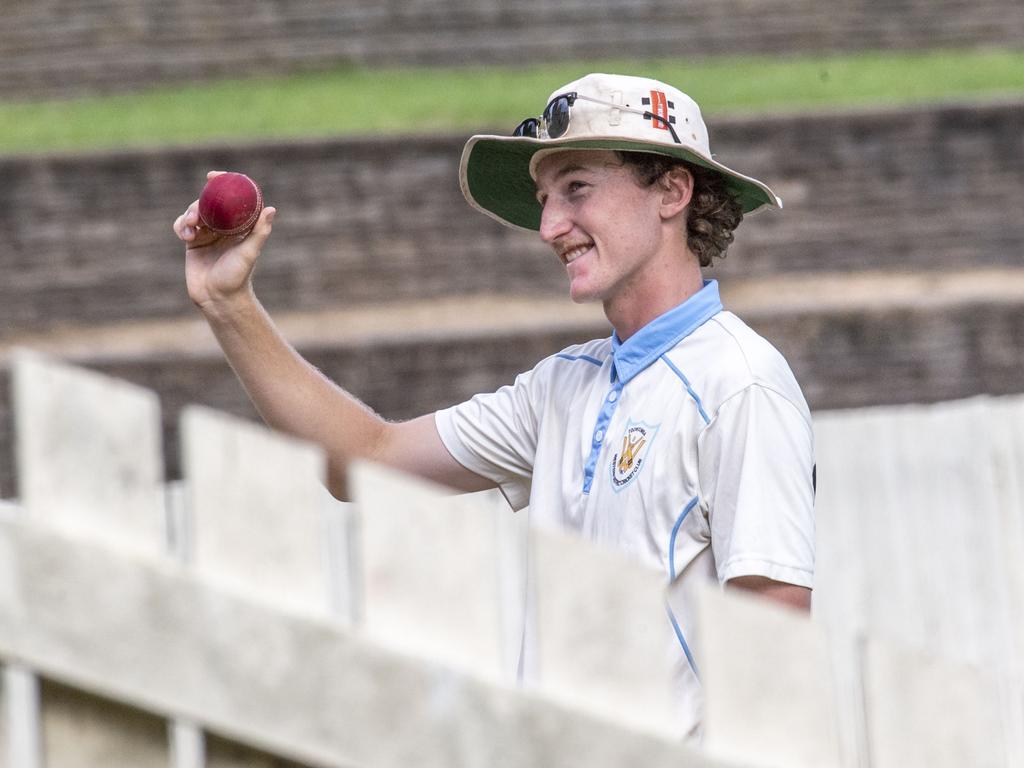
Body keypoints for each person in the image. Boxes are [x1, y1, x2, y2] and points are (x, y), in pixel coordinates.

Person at [173, 72, 815, 738]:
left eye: (577, 189)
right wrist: (229, 304)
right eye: (544, 199)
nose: (548, 227)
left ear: (673, 192)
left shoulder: (742, 383)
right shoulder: (560, 388)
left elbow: (774, 656)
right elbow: (363, 460)